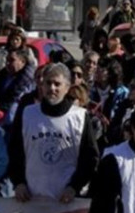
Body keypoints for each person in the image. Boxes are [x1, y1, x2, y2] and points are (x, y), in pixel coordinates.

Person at [8, 63, 98, 202]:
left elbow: (90, 157)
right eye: (48, 83)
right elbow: (15, 150)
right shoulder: (27, 113)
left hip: (67, 199)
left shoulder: (79, 117)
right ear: (41, 85)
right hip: (30, 197)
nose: (52, 88)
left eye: (57, 84)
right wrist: (18, 183)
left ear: (67, 87)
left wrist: (74, 187)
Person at [0, 49, 35, 127]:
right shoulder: (1, 77)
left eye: (12, 60)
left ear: (22, 62)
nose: (7, 63)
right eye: (7, 60)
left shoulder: (29, 81)